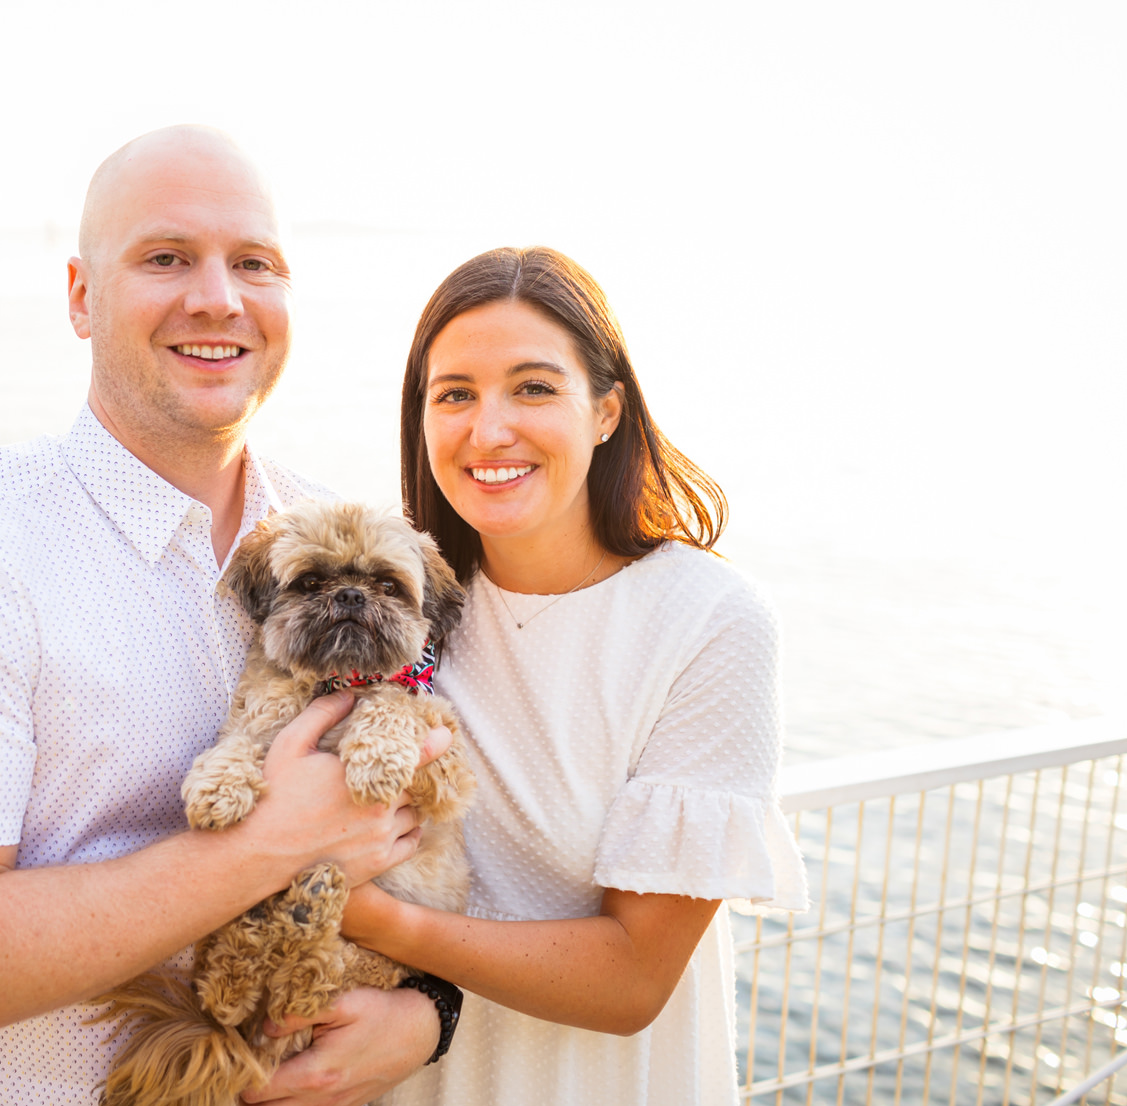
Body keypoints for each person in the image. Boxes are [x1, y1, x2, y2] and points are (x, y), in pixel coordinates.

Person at [0, 125, 451, 1105]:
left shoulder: (341, 549)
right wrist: (262, 845)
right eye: (166, 257)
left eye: (255, 263)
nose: (218, 297)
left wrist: (430, 1013)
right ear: (80, 295)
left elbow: (443, 833)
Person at [312, 246, 809, 1103]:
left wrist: (371, 921)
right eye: (455, 394)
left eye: (534, 388)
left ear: (607, 410)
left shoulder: (705, 621)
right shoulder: (392, 599)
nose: (489, 429)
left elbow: (629, 982)